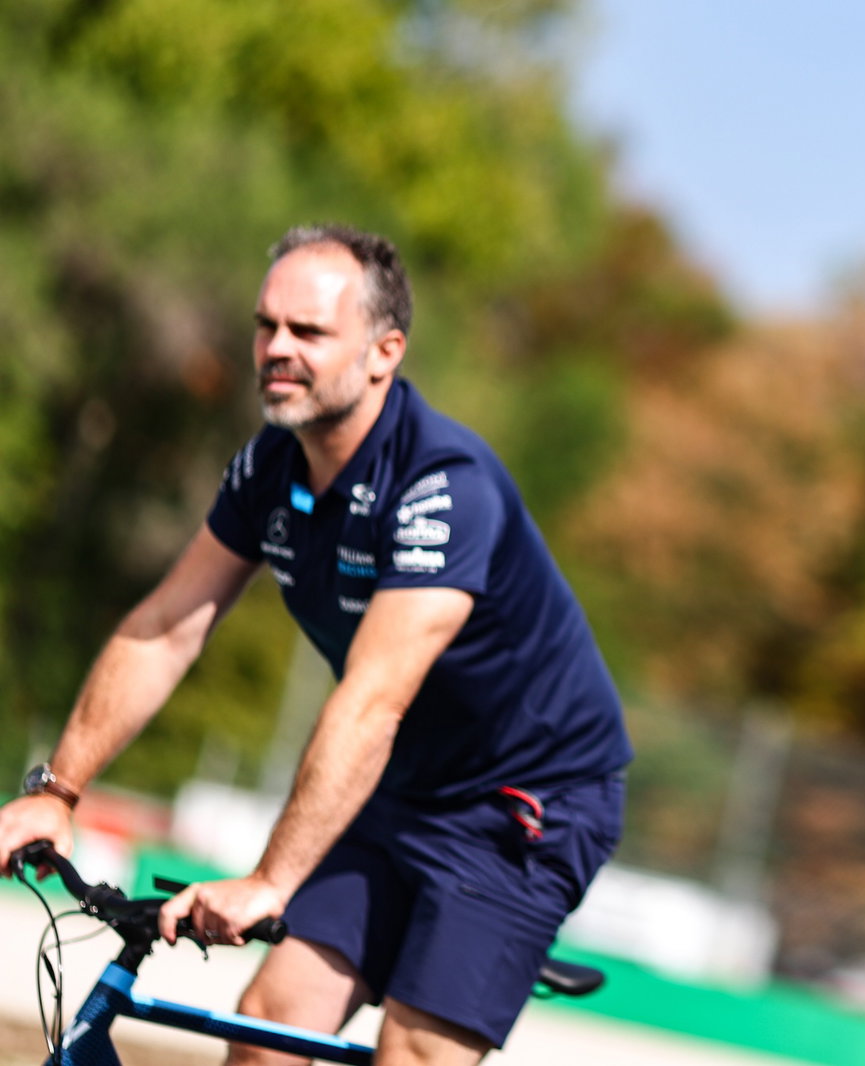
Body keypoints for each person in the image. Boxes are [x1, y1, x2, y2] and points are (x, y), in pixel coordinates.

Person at [0, 224, 633, 1066]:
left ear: (384, 352)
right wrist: (59, 791)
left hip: (521, 805)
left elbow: (373, 701)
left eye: (308, 331)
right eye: (266, 326)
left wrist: (270, 881)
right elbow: (166, 628)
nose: (276, 348)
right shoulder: (270, 467)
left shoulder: (444, 486)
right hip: (404, 785)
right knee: (268, 1030)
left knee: (412, 1054)